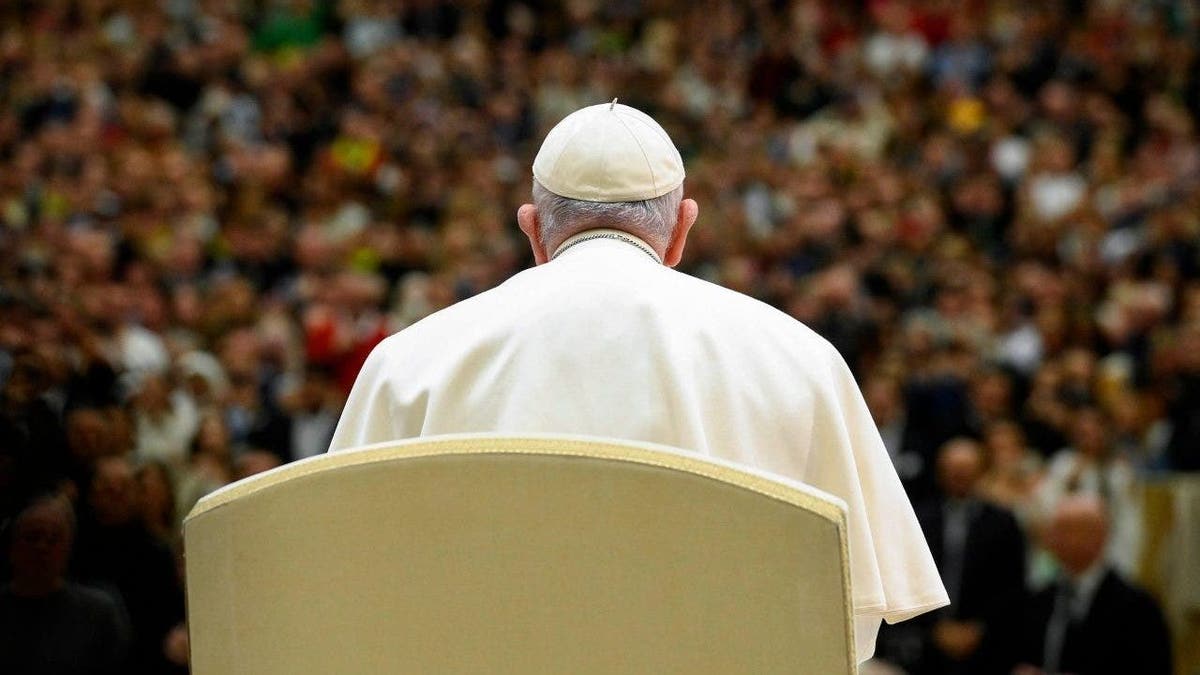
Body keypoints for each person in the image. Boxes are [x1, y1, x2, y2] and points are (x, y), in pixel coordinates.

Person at [329, 101, 948, 661]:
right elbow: (846, 623)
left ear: (532, 230)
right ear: (682, 228)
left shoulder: (410, 361)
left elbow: (350, 590)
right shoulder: (798, 358)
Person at [1015, 495, 1172, 675]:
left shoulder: (1138, 607)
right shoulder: (1040, 600)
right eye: (1054, 530)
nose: (1054, 538)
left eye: (1067, 530)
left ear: (1100, 536)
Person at [0, 493, 130, 675]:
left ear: (68, 549)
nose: (42, 547)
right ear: (12, 546)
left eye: (53, 539)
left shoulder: (98, 613)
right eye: (32, 537)